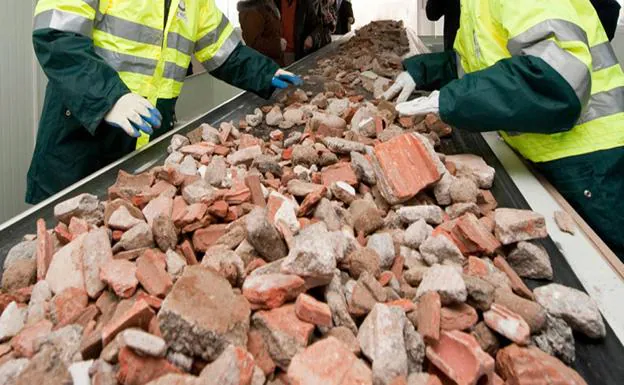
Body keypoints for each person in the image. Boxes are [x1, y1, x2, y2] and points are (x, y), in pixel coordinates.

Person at [383, 0, 624, 259]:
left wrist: (454, 100)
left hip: (590, 160)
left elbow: (559, 81)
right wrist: (420, 71)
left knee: (605, 267)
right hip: (552, 149)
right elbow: (472, 65)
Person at [27, 0, 302, 205]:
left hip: (147, 138)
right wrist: (110, 98)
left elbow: (226, 54)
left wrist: (266, 74)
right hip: (81, 134)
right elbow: (57, 36)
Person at [238, 0, 286, 65]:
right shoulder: (251, 11)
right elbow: (254, 45)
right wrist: (278, 45)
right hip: (263, 67)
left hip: (272, 64)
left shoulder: (265, 5)